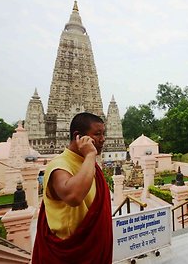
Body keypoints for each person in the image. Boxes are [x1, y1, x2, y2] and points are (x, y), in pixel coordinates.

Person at [32, 112, 113, 263]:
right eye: (97, 134)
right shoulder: (59, 165)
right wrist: (90, 155)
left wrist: (89, 158)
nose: (102, 139)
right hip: (70, 254)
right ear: (78, 136)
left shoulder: (88, 165)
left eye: (103, 134)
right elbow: (73, 196)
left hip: (94, 249)